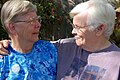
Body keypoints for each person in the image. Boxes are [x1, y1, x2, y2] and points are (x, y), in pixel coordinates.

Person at [0, 0, 120, 80]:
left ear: (99, 29)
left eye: (78, 27)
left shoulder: (117, 63)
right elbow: (22, 45)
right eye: (73, 26)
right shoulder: (63, 47)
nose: (72, 32)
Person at [0, 0, 57, 80]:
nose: (38, 25)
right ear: (12, 27)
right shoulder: (3, 58)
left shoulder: (49, 50)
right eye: (31, 21)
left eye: (38, 20)